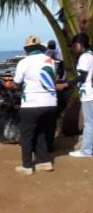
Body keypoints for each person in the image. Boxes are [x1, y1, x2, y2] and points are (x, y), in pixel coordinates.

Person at [10, 35, 68, 174]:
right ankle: (44, 162)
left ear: (27, 49)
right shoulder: (50, 61)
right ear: (41, 48)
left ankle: (27, 166)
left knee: (27, 134)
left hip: (32, 104)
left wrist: (15, 86)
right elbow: (52, 79)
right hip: (50, 103)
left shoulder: (24, 62)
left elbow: (16, 83)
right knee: (41, 132)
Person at [68, 33, 93, 159]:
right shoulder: (91, 54)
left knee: (89, 123)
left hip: (89, 93)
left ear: (79, 44)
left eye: (74, 45)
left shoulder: (84, 57)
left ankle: (86, 151)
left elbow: (83, 77)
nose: (73, 48)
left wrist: (67, 84)